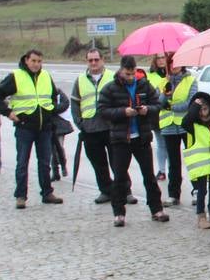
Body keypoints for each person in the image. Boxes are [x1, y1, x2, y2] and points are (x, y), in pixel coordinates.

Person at [0, 48, 66, 208]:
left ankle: (47, 193)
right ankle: (21, 196)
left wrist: (50, 109)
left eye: (39, 61)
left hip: (44, 126)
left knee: (45, 162)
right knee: (22, 162)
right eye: (33, 61)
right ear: (26, 60)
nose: (36, 64)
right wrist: (8, 112)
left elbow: (53, 95)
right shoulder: (16, 76)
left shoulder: (46, 76)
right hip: (25, 126)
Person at [100, 56, 169, 227]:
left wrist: (147, 110)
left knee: (149, 175)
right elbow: (102, 110)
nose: (130, 77)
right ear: (121, 70)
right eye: (127, 74)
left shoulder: (144, 84)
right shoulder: (110, 88)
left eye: (132, 73)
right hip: (121, 139)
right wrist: (123, 112)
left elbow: (157, 104)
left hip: (142, 137)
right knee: (119, 177)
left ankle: (156, 209)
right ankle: (119, 213)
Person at [71, 47, 119, 204]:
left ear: (102, 60)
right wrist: (80, 124)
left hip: (111, 126)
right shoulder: (80, 80)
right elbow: (75, 104)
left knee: (118, 162)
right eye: (90, 60)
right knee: (98, 164)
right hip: (90, 129)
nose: (93, 63)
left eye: (96, 59)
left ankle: (124, 190)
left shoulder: (113, 77)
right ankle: (106, 191)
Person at [182, 91, 210, 229]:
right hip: (200, 165)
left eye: (205, 108)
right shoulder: (193, 125)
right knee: (201, 191)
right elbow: (186, 120)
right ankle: (201, 216)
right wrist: (195, 104)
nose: (203, 112)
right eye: (200, 110)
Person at [156, 56, 196, 206]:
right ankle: (173, 194)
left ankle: (196, 191)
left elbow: (190, 102)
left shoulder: (190, 80)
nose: (174, 66)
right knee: (173, 162)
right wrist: (165, 94)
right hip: (168, 125)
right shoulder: (163, 82)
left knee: (192, 159)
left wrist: (171, 107)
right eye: (171, 63)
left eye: (177, 62)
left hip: (186, 123)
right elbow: (158, 103)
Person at [146, 53, 170, 180]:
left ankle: (172, 170)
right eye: (159, 58)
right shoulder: (150, 76)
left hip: (171, 114)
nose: (161, 60)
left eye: (163, 58)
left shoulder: (172, 74)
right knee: (161, 144)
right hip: (157, 115)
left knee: (171, 146)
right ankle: (161, 170)